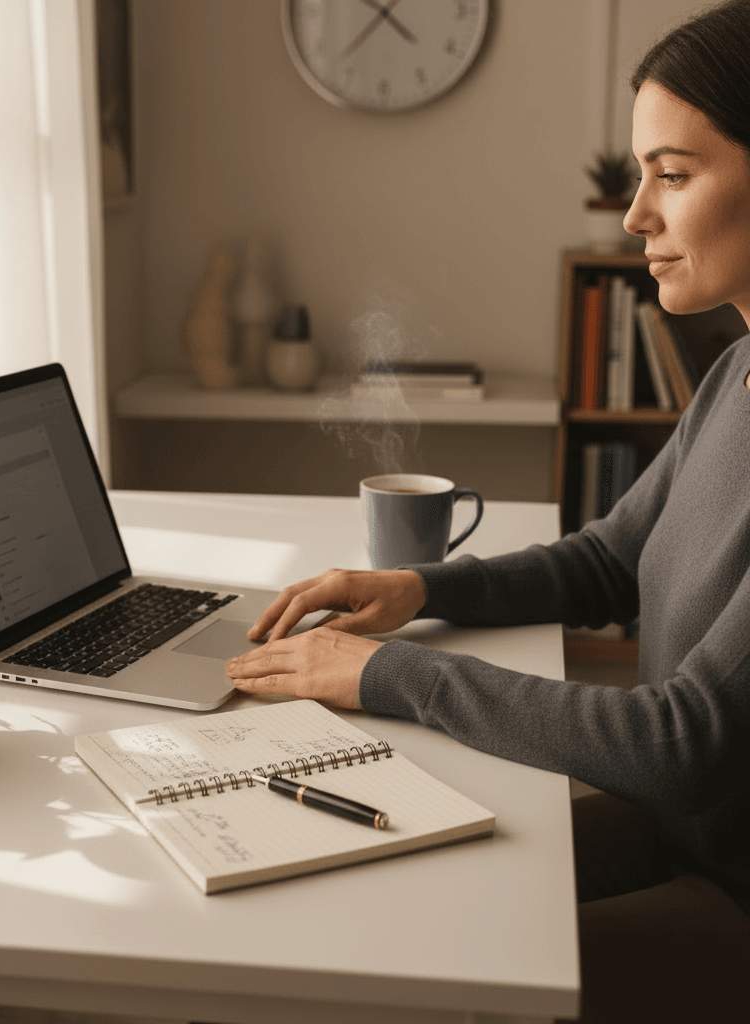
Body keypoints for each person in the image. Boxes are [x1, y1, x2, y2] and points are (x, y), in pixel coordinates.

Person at [225, 3, 750, 1022]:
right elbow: (607, 559)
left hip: (731, 885)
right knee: (374, 910)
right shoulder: (736, 369)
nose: (635, 214)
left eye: (673, 176)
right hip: (687, 830)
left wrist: (388, 672)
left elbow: (679, 740)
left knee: (397, 988)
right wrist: (415, 587)